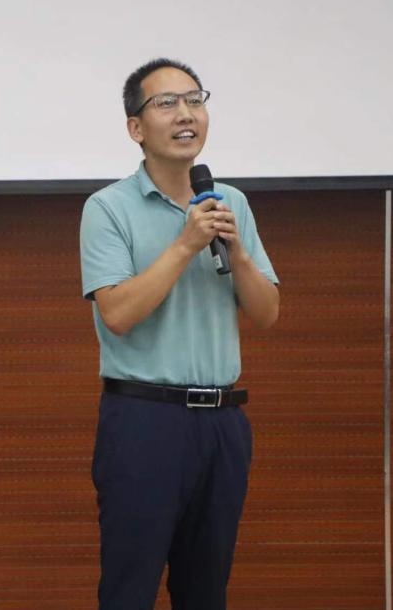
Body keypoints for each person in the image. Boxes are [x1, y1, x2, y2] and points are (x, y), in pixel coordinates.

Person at [79, 58, 280, 610]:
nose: (185, 114)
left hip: (223, 424)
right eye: (166, 103)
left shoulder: (231, 203)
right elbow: (118, 314)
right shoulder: (108, 208)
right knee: (130, 588)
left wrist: (238, 254)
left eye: (195, 100)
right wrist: (186, 244)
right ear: (136, 128)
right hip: (144, 421)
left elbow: (266, 314)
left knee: (205, 591)